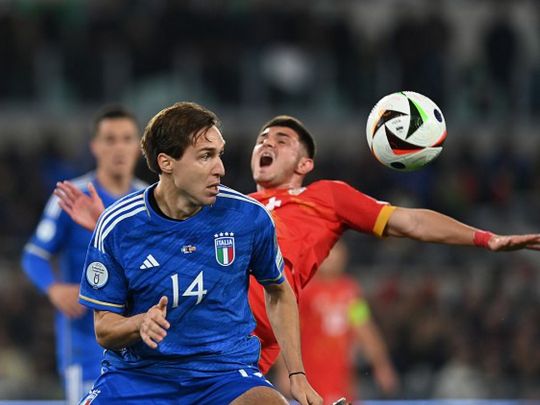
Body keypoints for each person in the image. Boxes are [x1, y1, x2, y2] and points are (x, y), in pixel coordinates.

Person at [55, 115, 540, 379]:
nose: (265, 143)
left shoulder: (326, 199)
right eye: (262, 138)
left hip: (243, 340)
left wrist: (486, 238)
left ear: (305, 164)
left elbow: (409, 221)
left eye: (282, 139)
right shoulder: (229, 205)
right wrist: (103, 221)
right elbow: (161, 236)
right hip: (189, 327)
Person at [76, 102, 321, 404]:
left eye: (219, 154)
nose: (220, 169)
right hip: (138, 375)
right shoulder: (118, 226)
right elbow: (104, 328)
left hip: (223, 374)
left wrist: (297, 375)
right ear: (167, 162)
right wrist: (139, 323)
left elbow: (279, 291)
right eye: (206, 156)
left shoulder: (249, 217)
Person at [21, 105, 146, 404]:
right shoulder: (71, 196)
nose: (119, 147)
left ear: (138, 147)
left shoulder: (149, 201)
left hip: (138, 344)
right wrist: (53, 288)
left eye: (127, 139)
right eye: (110, 139)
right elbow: (34, 255)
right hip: (85, 346)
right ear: (95, 146)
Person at [297, 240, 398, 402]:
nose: (332, 259)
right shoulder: (305, 290)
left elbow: (364, 327)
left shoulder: (350, 291)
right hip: (310, 372)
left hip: (342, 375)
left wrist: (381, 365)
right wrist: (287, 371)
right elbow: (286, 331)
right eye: (329, 253)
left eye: (337, 253)